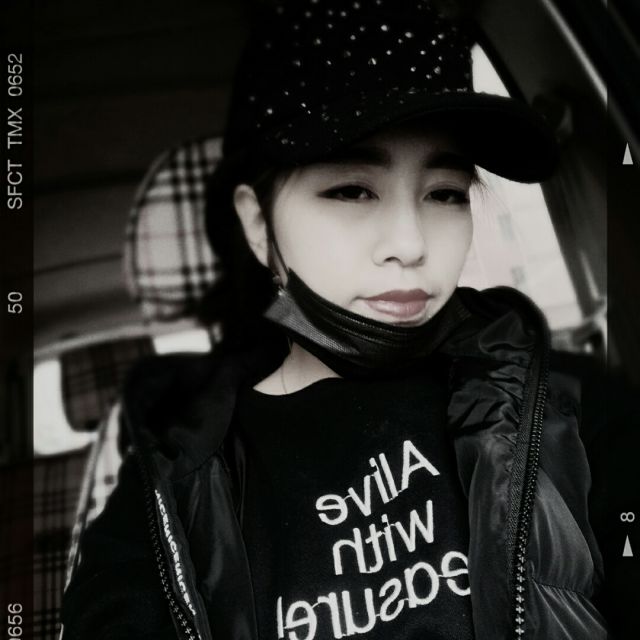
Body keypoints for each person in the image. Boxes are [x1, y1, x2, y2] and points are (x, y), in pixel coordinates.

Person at [61, 1, 609, 638]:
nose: (410, 243)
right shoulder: (169, 481)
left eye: (445, 193)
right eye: (351, 190)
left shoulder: (560, 400)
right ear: (258, 224)